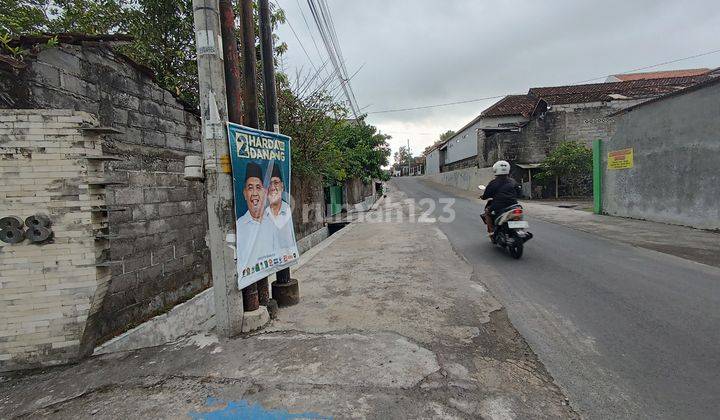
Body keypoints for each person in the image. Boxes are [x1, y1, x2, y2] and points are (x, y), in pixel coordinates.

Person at [236, 162, 274, 274]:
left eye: (258, 187)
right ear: (244, 193)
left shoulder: (274, 222)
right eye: (250, 188)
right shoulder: (239, 226)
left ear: (265, 192)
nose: (254, 193)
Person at [481, 160, 520, 236]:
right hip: (513, 205)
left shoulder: (493, 183)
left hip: (498, 206)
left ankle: (491, 231)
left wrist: (483, 197)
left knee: (487, 212)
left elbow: (486, 195)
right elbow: (519, 193)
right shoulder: (513, 181)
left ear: (495, 169)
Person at [264, 162, 296, 251]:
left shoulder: (287, 209)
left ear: (282, 186)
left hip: (285, 258)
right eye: (269, 184)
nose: (272, 187)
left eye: (276, 183)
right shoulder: (262, 213)